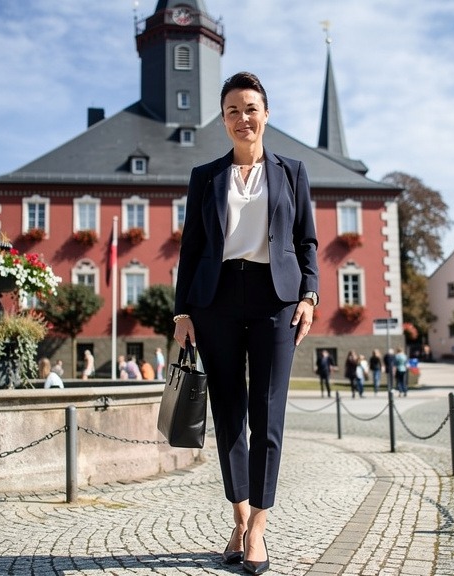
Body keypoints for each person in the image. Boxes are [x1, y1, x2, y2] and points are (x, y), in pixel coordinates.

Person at [172, 71, 318, 574]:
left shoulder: (292, 171)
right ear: (223, 119)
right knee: (229, 414)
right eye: (232, 110)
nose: (242, 118)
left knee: (268, 417)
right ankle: (237, 517)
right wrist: (183, 311)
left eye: (250, 108)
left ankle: (258, 526)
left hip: (275, 299)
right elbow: (190, 249)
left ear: (266, 114)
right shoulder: (205, 177)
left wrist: (310, 296)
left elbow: (307, 242)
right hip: (215, 301)